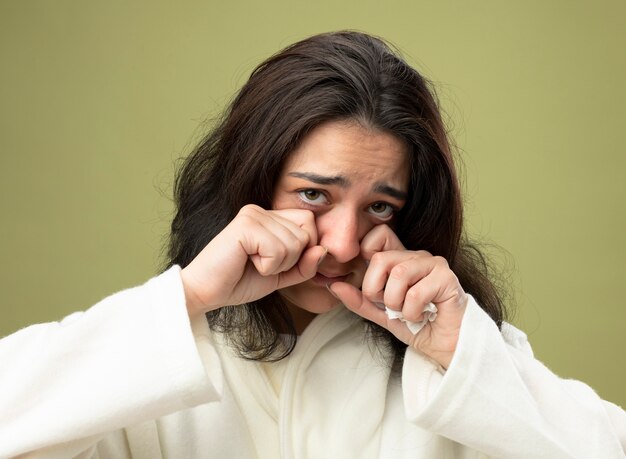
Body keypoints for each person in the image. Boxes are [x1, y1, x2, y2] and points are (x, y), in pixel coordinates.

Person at [1, 31, 624, 458]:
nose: (344, 241)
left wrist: (464, 350)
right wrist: (188, 296)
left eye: (380, 206)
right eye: (314, 196)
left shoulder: (460, 365)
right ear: (253, 180)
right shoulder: (152, 357)